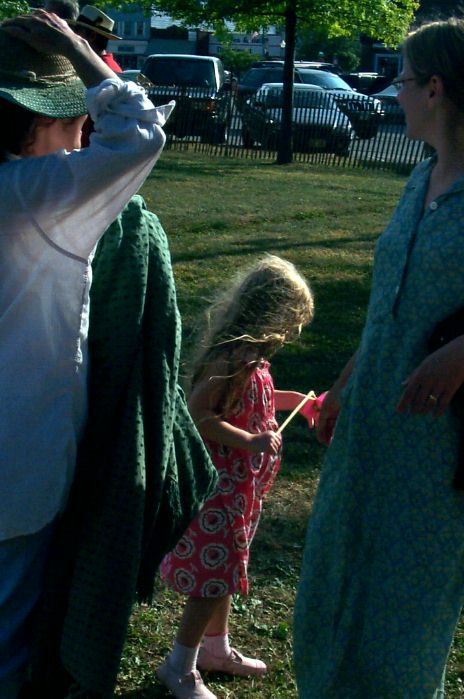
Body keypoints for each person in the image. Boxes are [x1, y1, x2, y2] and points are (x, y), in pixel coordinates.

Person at [0, 10, 171, 699]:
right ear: (39, 123)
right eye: (71, 119)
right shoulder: (38, 197)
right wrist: (80, 54)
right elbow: (141, 133)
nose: (82, 134)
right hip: (19, 461)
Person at [294, 16, 464, 699]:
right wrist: (342, 385)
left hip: (438, 444)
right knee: (334, 574)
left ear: (434, 87)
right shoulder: (416, 178)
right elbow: (386, 304)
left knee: (408, 595)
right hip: (370, 421)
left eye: (400, 78)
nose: (392, 91)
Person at [157, 255, 316, 699]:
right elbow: (199, 414)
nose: (290, 335)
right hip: (217, 491)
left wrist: (301, 403)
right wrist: (251, 440)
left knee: (223, 573)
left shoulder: (254, 359)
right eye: (290, 324)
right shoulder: (232, 358)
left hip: (240, 493)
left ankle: (215, 648)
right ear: (270, 314)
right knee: (211, 580)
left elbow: (262, 398)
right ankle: (179, 667)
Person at [71, 5, 123, 72]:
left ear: (92, 36)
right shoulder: (100, 66)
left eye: (77, 29)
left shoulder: (101, 71)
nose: (73, 33)